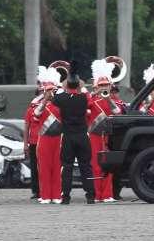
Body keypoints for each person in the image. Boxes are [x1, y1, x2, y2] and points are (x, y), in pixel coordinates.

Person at [52, 63, 96, 204]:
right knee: (86, 166)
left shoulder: (61, 99)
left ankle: (66, 197)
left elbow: (55, 96)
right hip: (82, 136)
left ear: (67, 86)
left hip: (68, 137)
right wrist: (80, 84)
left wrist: (66, 82)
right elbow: (89, 98)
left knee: (67, 167)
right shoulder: (84, 97)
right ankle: (90, 195)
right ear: (77, 86)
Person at [88, 59, 123, 202]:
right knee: (95, 165)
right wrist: (94, 93)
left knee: (109, 165)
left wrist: (108, 99)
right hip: (94, 136)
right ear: (97, 86)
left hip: (108, 136)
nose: (104, 87)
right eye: (101, 85)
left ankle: (107, 194)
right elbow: (85, 109)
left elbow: (118, 112)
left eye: (106, 85)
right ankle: (97, 194)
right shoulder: (90, 100)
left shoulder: (111, 101)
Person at [33, 67, 63, 204]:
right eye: (48, 90)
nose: (50, 92)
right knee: (44, 168)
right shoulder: (39, 104)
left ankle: (56, 195)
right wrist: (45, 100)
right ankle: (45, 195)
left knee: (57, 167)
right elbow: (36, 114)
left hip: (58, 139)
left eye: (52, 90)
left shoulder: (60, 105)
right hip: (44, 139)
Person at [23, 84, 43, 200]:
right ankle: (36, 190)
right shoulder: (31, 109)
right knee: (35, 168)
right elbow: (26, 127)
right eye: (41, 92)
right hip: (34, 142)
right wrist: (25, 144)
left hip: (48, 141)